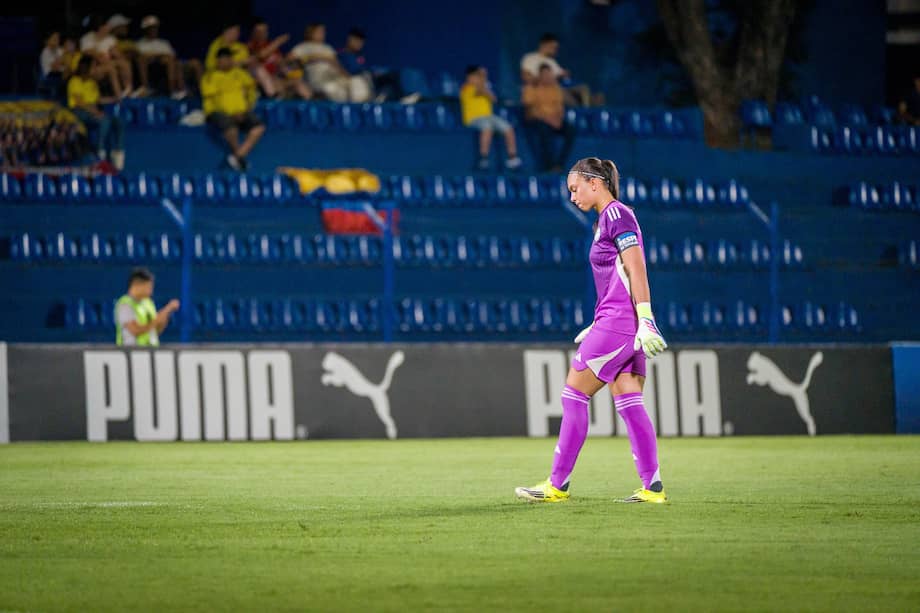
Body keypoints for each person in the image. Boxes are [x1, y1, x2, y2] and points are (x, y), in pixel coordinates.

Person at [515, 157, 669, 504]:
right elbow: (619, 276)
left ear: (594, 183)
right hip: (617, 321)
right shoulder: (609, 219)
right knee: (629, 399)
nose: (573, 197)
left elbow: (636, 267)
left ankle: (557, 484)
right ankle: (653, 488)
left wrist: (644, 318)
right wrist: (601, 321)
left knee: (574, 393)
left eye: (575, 188)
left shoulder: (615, 214)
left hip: (622, 322)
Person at [200, 47, 265, 171]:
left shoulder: (240, 74)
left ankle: (238, 156)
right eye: (224, 59)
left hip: (241, 112)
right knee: (231, 129)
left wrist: (247, 108)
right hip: (218, 113)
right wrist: (232, 113)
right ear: (218, 61)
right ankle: (239, 159)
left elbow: (251, 92)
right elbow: (214, 100)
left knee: (259, 128)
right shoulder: (210, 76)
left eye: (230, 59)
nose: (228, 61)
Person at [67, 54, 125, 169]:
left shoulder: (92, 83)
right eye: (93, 66)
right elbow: (80, 102)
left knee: (118, 121)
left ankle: (118, 153)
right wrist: (95, 113)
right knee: (104, 121)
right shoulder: (74, 81)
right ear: (85, 67)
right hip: (79, 112)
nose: (95, 69)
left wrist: (114, 99)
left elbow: (97, 100)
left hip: (93, 110)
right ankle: (100, 153)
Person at [459, 65, 522, 171]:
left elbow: (494, 99)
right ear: (469, 77)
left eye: (478, 76)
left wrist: (483, 81)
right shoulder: (466, 88)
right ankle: (483, 158)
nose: (477, 78)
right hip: (473, 119)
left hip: (489, 117)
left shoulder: (484, 87)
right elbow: (479, 91)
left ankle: (512, 158)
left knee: (508, 128)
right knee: (487, 127)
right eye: (476, 76)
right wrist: (483, 76)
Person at [288, 23, 370, 102]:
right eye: (320, 31)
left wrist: (346, 76)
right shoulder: (302, 47)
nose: (323, 33)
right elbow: (289, 61)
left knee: (357, 82)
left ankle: (360, 112)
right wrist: (316, 58)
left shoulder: (328, 48)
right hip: (319, 80)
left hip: (334, 76)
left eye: (323, 31)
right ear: (311, 32)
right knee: (334, 89)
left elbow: (337, 64)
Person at [521, 63, 575, 172]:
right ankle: (549, 166)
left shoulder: (556, 88)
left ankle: (559, 164)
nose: (547, 77)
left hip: (554, 120)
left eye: (549, 74)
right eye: (544, 74)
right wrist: (547, 119)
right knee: (544, 130)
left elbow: (560, 107)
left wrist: (558, 119)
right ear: (539, 75)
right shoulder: (531, 88)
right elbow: (530, 109)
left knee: (571, 130)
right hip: (536, 120)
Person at [135, 15, 202, 99]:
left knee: (193, 63)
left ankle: (198, 92)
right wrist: (160, 56)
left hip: (174, 67)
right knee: (167, 61)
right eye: (151, 28)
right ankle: (172, 90)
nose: (154, 30)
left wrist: (159, 56)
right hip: (155, 70)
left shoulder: (164, 43)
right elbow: (142, 57)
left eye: (155, 27)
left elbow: (172, 56)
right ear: (145, 29)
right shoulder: (140, 44)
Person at [520, 33, 593, 107]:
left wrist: (563, 75)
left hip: (559, 87)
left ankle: (587, 109)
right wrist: (546, 79)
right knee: (565, 95)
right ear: (543, 45)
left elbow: (561, 77)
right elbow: (526, 78)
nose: (555, 50)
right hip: (544, 90)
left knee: (583, 89)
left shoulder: (552, 62)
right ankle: (580, 112)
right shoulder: (530, 58)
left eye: (556, 48)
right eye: (553, 47)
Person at [115, 267, 180, 347]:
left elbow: (154, 330)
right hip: (132, 353)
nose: (151, 290)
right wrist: (164, 311)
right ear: (137, 284)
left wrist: (165, 315)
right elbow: (135, 330)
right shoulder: (125, 304)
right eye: (148, 287)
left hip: (149, 352)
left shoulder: (148, 303)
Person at [247, 19, 312, 100]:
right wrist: (278, 42)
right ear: (252, 33)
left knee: (299, 84)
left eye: (265, 31)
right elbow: (261, 55)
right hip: (260, 82)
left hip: (276, 78)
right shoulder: (249, 46)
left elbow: (281, 64)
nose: (262, 34)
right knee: (277, 86)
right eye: (259, 31)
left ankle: (308, 105)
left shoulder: (272, 47)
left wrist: (292, 72)